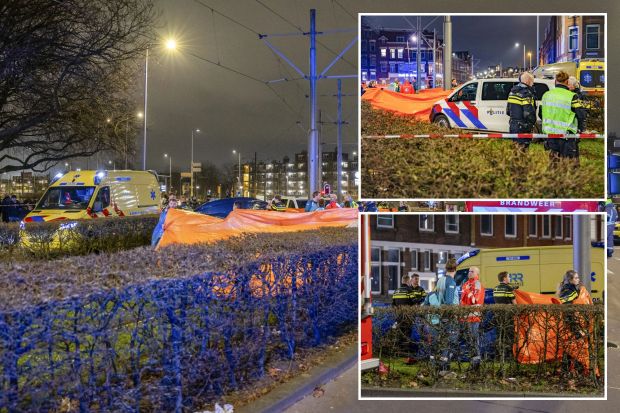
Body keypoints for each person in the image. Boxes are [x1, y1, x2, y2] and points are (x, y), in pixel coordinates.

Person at [539, 70, 586, 160]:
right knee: (568, 164)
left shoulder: (546, 95)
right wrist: (581, 129)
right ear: (567, 82)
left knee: (554, 163)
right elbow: (581, 115)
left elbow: (541, 114)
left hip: (550, 135)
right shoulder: (572, 96)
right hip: (567, 137)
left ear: (555, 81)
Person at [460, 266, 485, 368]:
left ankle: (476, 364)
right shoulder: (466, 284)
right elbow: (462, 302)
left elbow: (475, 301)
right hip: (465, 318)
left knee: (474, 340)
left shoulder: (477, 284)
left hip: (474, 318)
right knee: (470, 341)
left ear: (477, 274)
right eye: (469, 271)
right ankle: (473, 362)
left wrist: (467, 291)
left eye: (472, 271)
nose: (469, 273)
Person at [506, 72, 537, 150]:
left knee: (515, 151)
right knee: (523, 151)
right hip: (523, 127)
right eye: (532, 82)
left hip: (513, 125)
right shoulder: (526, 94)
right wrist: (531, 125)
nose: (533, 84)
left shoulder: (512, 92)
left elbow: (508, 111)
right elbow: (529, 114)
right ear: (527, 81)